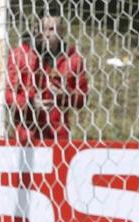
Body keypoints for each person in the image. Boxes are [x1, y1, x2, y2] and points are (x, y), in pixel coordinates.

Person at [6, 8, 88, 143]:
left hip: (57, 136)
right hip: (25, 134)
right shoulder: (20, 56)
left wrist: (66, 94)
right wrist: (30, 104)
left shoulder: (73, 59)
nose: (47, 34)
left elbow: (82, 99)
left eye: (51, 29)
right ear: (36, 30)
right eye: (43, 29)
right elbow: (7, 94)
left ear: (62, 32)